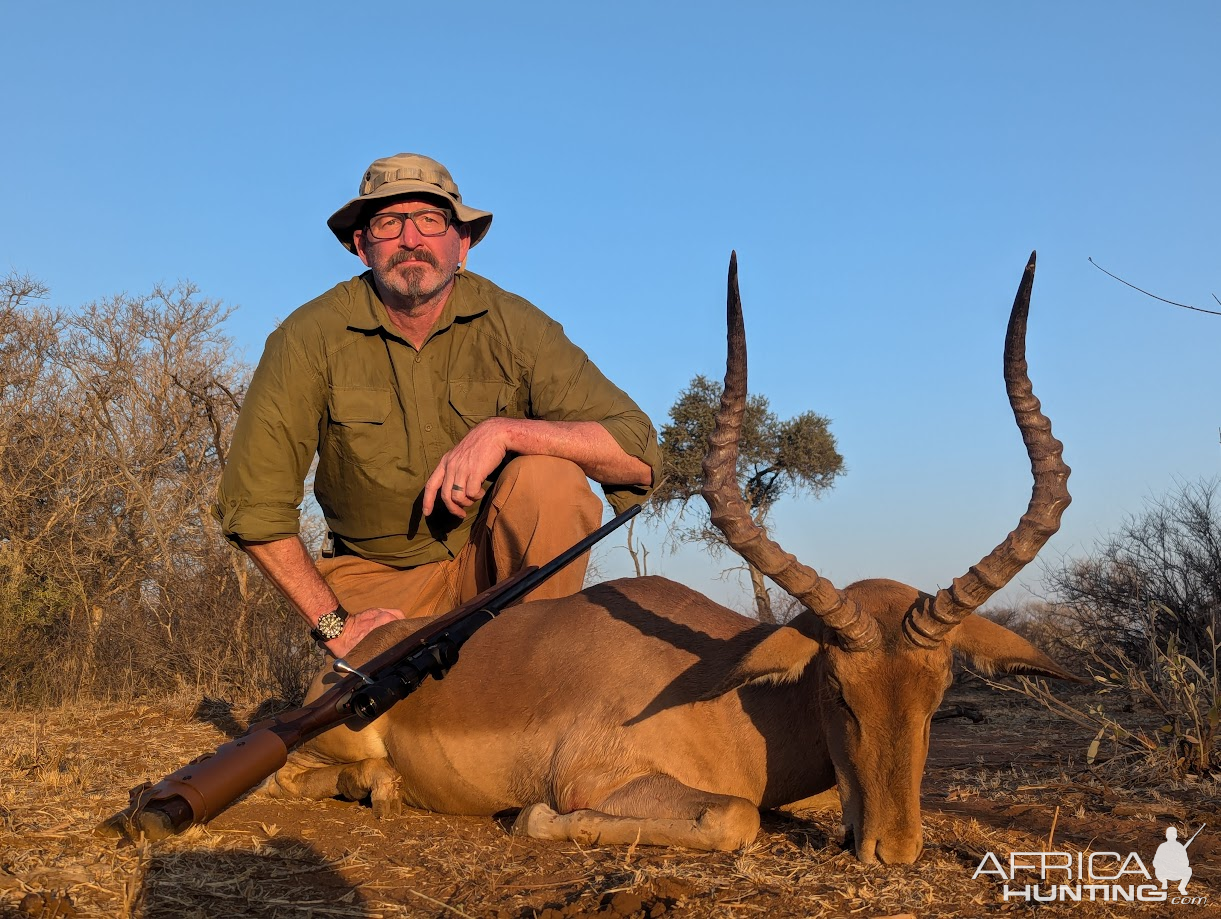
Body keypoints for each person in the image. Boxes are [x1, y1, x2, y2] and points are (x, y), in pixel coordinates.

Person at [216, 153, 659, 659]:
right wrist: (336, 625)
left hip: (496, 572)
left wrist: (505, 431)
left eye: (431, 220)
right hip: (377, 579)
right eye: (388, 223)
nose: (411, 239)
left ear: (462, 243)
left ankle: (536, 664)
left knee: (550, 478)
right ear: (362, 246)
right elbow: (253, 507)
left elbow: (638, 452)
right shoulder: (305, 338)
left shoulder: (517, 326)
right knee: (359, 724)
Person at [1153, 826, 1192, 895]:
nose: (1171, 836)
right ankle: (1164, 882)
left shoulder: (1179, 847)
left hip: (1177, 872)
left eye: (1173, 834)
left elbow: (1186, 863)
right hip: (1164, 872)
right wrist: (1164, 863)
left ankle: (1182, 887)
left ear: (1176, 836)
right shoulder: (1162, 846)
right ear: (1167, 836)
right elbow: (1156, 861)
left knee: (1189, 870)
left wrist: (1178, 863)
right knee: (1158, 868)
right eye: (1170, 834)